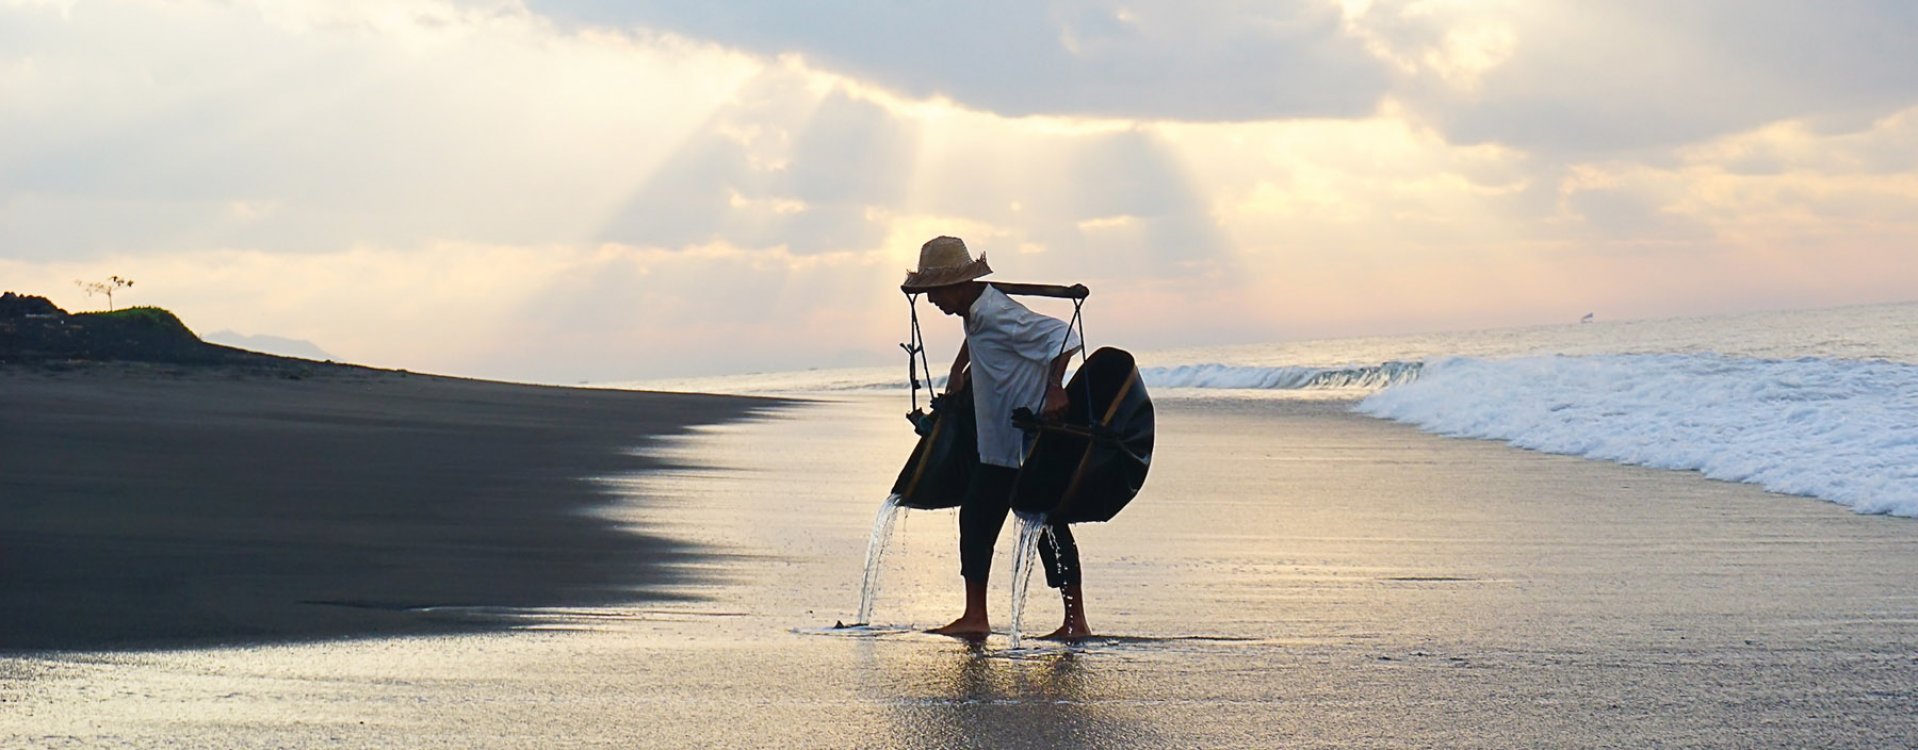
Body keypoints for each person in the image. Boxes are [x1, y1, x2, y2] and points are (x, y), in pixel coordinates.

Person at [900, 235, 1091, 640]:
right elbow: (978, 336)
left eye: (934, 291)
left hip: (1025, 441)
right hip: (997, 443)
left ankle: (1075, 622)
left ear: (958, 285)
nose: (932, 301)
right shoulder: (977, 313)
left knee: (1047, 523)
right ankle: (976, 616)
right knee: (979, 518)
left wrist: (1056, 387)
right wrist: (957, 370)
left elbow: (1063, 337)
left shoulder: (997, 312)